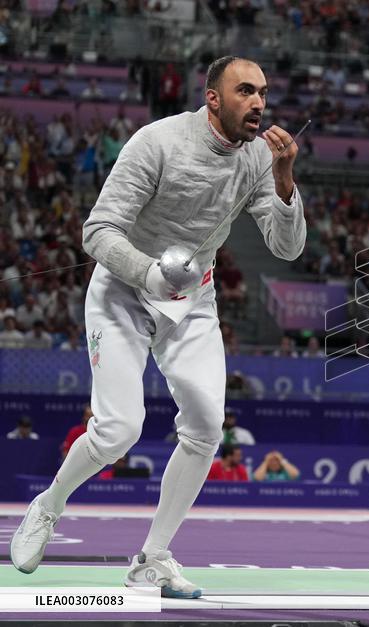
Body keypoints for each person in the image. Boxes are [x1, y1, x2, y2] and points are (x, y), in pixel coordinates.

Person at [10, 56, 306, 598]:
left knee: (206, 425)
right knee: (118, 430)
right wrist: (148, 273)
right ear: (213, 97)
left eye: (263, 92)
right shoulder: (158, 142)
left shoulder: (259, 161)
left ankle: (153, 558)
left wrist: (285, 180)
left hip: (192, 299)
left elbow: (287, 248)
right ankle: (48, 506)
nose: (259, 103)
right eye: (246, 91)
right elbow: (97, 231)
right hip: (124, 289)